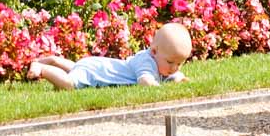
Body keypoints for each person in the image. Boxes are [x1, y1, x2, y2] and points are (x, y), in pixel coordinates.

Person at [27, 23, 192, 90]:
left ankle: (52, 59)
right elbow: (146, 81)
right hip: (95, 71)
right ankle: (43, 68)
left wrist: (178, 77)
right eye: (171, 62)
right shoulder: (146, 62)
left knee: (77, 67)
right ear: (154, 52)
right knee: (70, 84)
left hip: (94, 64)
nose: (174, 68)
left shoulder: (158, 61)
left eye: (179, 64)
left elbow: (168, 75)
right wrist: (159, 89)